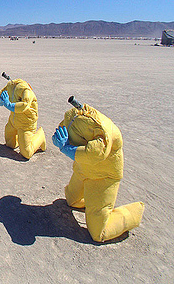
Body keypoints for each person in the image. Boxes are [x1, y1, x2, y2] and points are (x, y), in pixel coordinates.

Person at [52, 102, 144, 242]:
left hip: (103, 177)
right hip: (82, 169)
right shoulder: (72, 116)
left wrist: (65, 148)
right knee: (72, 200)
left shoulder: (102, 130)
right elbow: (60, 132)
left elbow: (95, 153)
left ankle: (134, 212)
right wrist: (57, 140)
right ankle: (93, 202)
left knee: (98, 232)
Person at [0, 78, 46, 159]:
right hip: (13, 121)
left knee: (26, 153)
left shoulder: (26, 91)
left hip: (26, 125)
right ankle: (21, 139)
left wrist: (9, 105)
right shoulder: (10, 86)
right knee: (10, 144)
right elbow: (0, 93)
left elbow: (24, 105)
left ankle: (40, 136)